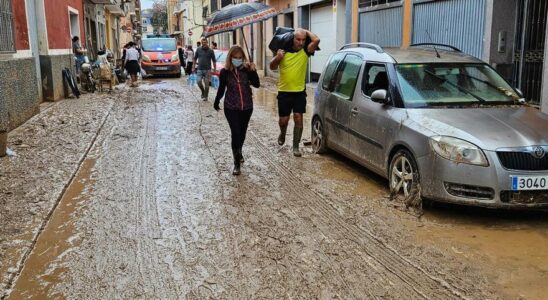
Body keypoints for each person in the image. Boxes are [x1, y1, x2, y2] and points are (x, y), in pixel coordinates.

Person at [269, 28, 320, 157]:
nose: (301, 42)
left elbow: (317, 40)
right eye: (298, 39)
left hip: (299, 92)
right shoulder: (283, 52)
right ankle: (282, 133)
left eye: (303, 40)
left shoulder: (306, 51)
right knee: (283, 121)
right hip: (284, 92)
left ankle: (296, 146)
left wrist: (305, 31)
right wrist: (278, 57)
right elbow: (272, 67)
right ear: (293, 38)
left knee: (298, 117)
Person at [214, 45, 260, 175]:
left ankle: (239, 151)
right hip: (231, 107)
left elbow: (257, 84)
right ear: (230, 58)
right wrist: (217, 101)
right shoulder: (225, 72)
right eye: (235, 57)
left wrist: (253, 70)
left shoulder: (247, 70)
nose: (238, 60)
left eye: (240, 58)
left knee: (243, 132)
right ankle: (236, 163)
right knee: (236, 133)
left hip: (246, 107)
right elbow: (222, 88)